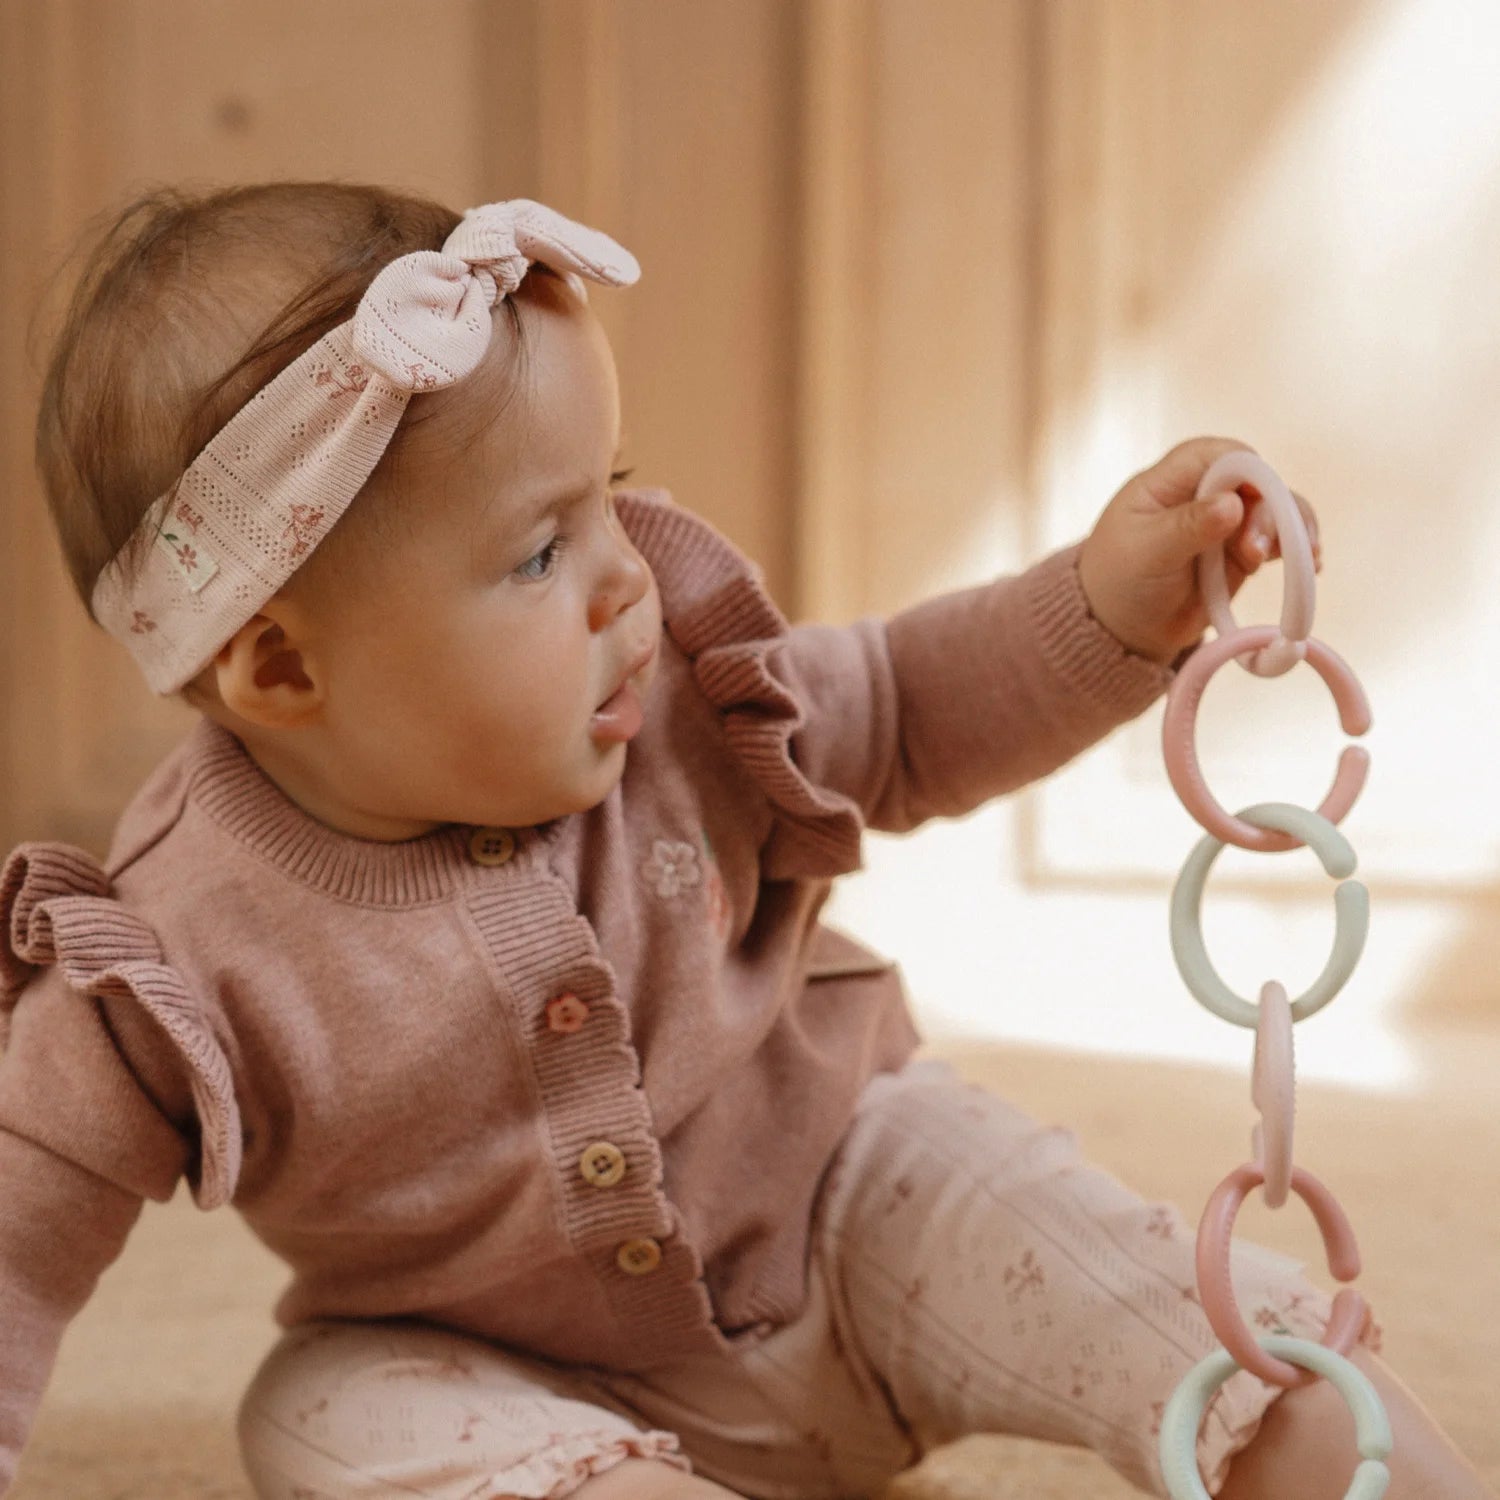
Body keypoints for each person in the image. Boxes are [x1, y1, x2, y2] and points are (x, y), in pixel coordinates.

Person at [1, 182, 1490, 1500]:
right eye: (540, 551)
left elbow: (909, 706)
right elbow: (21, 1228)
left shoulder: (684, 701)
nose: (625, 581)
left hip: (856, 1210)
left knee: (1168, 1297)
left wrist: (1107, 606)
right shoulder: (167, 952)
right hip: (505, 1368)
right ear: (281, 669)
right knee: (317, 1413)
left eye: (610, 498)